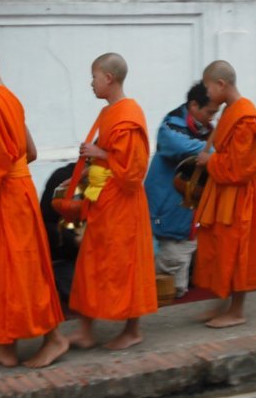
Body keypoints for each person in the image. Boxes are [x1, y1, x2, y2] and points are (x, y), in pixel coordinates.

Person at [0, 41, 68, 368]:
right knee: (0, 275)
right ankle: (6, 347)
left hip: (6, 200)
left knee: (22, 273)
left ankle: (54, 339)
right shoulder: (12, 101)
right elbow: (28, 152)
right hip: (14, 194)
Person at [67, 52, 158, 350]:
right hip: (102, 201)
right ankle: (85, 329)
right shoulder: (109, 113)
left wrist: (99, 154)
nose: (90, 84)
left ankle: (133, 330)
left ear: (109, 78)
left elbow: (134, 171)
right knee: (89, 263)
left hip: (124, 204)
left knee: (126, 265)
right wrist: (83, 175)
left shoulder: (129, 114)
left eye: (93, 77)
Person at [192, 60, 256, 328]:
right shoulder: (230, 111)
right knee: (219, 246)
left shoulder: (245, 116)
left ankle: (237, 311)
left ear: (221, 84)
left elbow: (242, 167)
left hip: (240, 193)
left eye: (207, 87)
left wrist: (209, 162)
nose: (206, 93)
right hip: (224, 191)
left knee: (237, 249)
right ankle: (221, 302)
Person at [144, 81, 219, 298]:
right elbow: (185, 148)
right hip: (168, 203)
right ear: (194, 105)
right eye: (209, 112)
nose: (212, 117)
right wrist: (218, 153)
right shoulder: (170, 126)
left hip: (189, 210)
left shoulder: (208, 129)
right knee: (166, 268)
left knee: (177, 288)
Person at [39, 162, 81, 304]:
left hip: (100, 258)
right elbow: (46, 224)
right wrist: (74, 241)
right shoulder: (63, 178)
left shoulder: (113, 182)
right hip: (66, 258)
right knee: (81, 295)